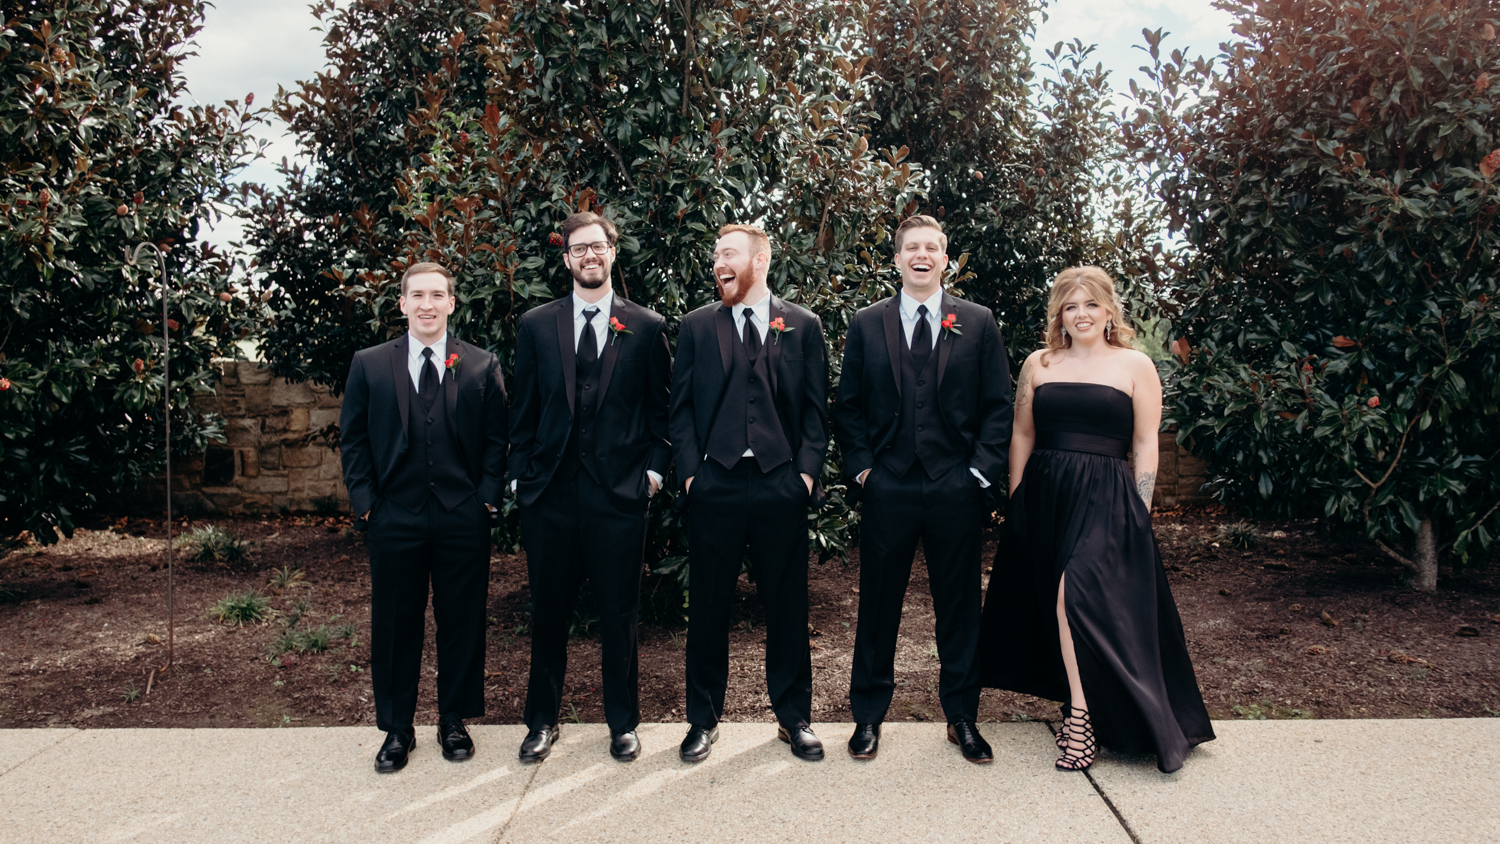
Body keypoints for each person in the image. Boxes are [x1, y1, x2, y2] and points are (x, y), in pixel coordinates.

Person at [977, 265, 1214, 773]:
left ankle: (1080, 719)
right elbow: (1022, 434)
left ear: (1109, 311)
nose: (1081, 314)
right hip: (1045, 494)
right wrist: (1018, 499)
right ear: (1059, 314)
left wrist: (1140, 509)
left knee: (1075, 592)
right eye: (1070, 306)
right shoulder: (1038, 364)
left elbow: (1146, 442)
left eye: (1090, 304)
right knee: (1057, 601)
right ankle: (1080, 703)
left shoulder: (1135, 365)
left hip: (1108, 496)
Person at [832, 214, 1013, 763]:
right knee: (878, 606)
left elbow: (997, 406)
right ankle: (867, 716)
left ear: (944, 258)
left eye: (932, 248)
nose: (922, 255)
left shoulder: (977, 322)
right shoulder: (868, 323)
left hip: (954, 487)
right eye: (912, 248)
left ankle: (961, 716)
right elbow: (849, 406)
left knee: (959, 606)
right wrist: (864, 471)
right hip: (889, 486)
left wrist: (977, 474)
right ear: (897, 259)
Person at [508, 211, 672, 764]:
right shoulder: (536, 325)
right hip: (549, 496)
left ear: (612, 252)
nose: (590, 256)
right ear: (566, 259)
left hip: (618, 497)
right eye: (579, 249)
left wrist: (651, 474)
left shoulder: (646, 327)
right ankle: (541, 722)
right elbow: (523, 412)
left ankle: (622, 723)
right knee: (549, 611)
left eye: (598, 246)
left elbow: (661, 413)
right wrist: (519, 475)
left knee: (620, 613)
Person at [339, 262, 508, 774]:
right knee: (395, 623)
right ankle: (397, 728)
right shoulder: (370, 364)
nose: (428, 304)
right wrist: (367, 504)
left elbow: (499, 439)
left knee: (462, 621)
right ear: (403, 304)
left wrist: (486, 498)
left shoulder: (480, 365)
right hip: (395, 516)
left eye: (438, 295)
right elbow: (354, 439)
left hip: (463, 517)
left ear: (452, 304)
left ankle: (454, 719)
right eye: (418, 295)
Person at [668, 223, 829, 763]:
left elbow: (814, 411)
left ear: (759, 260)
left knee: (786, 605)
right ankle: (702, 719)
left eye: (729, 253)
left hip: (780, 484)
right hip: (716, 484)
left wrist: (804, 476)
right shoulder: (696, 327)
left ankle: (794, 718)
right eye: (715, 254)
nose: (719, 261)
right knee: (709, 608)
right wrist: (692, 476)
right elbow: (682, 410)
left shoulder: (802, 325)